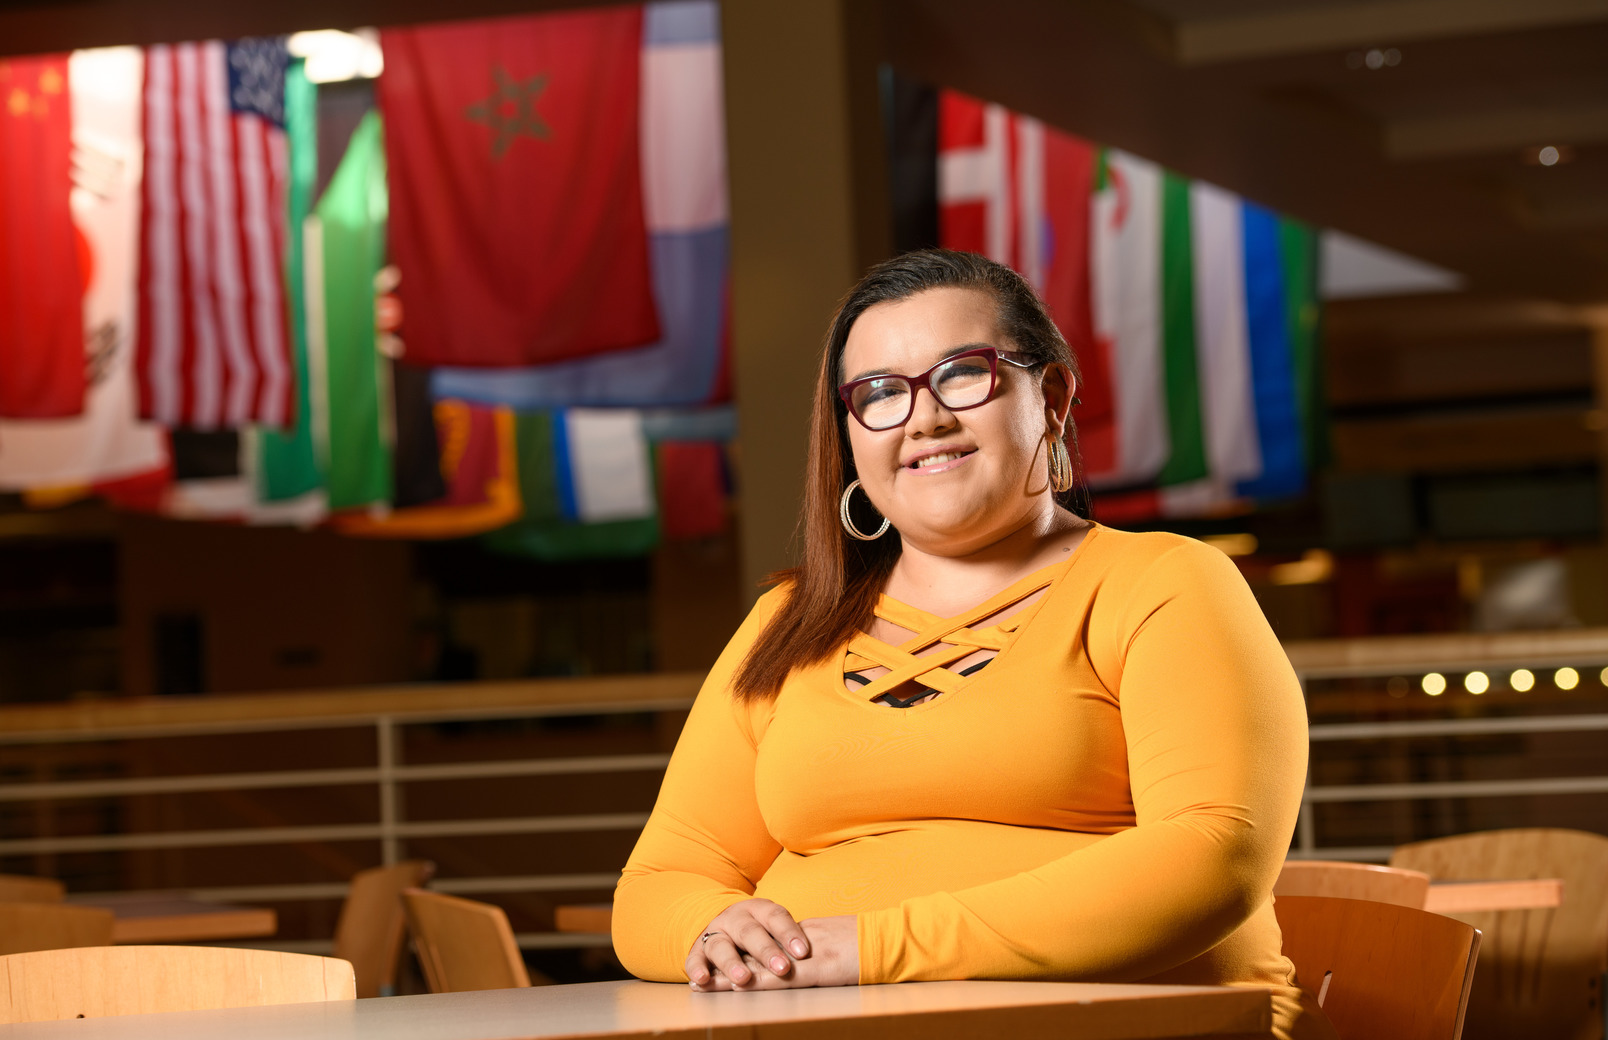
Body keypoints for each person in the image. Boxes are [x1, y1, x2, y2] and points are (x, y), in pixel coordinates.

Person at [613, 249, 1332, 1039]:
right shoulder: (788, 619)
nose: (923, 418)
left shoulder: (1164, 583)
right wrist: (715, 932)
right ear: (849, 435)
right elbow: (663, 880)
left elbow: (1214, 853)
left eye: (963, 374)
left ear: (1051, 395)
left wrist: (876, 946)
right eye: (879, 393)